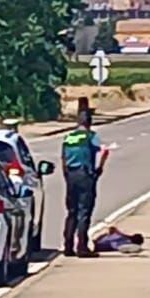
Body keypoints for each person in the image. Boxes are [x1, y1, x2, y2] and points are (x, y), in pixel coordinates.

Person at [60, 109, 109, 258]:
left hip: (70, 174)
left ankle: (68, 246)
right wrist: (99, 168)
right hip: (85, 175)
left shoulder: (68, 137)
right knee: (84, 211)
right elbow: (104, 150)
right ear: (90, 123)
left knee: (72, 211)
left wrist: (66, 174)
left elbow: (62, 157)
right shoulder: (90, 136)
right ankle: (82, 246)